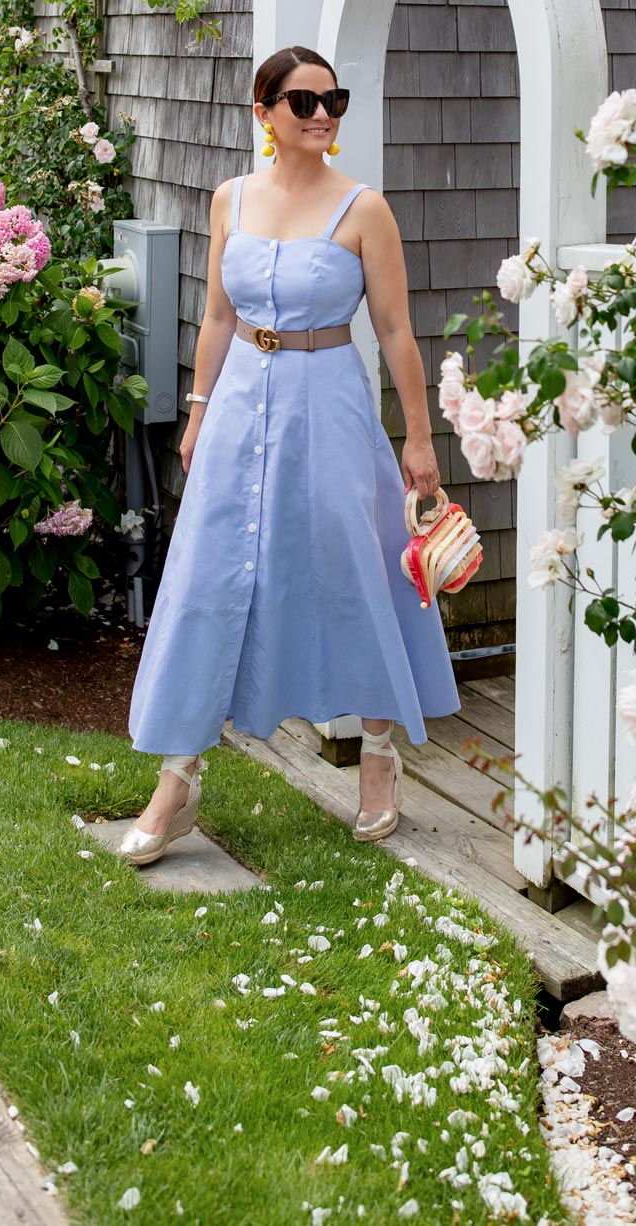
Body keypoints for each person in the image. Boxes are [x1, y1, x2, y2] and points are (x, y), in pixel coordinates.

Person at [120, 44, 461, 863]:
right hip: (240, 403)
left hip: (331, 404)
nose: (322, 116)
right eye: (303, 102)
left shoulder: (364, 209)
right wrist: (198, 414)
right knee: (210, 573)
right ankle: (179, 776)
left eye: (332, 101)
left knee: (352, 570)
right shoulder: (229, 199)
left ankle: (377, 756)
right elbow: (215, 319)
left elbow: (393, 332)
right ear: (263, 112)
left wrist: (418, 439)